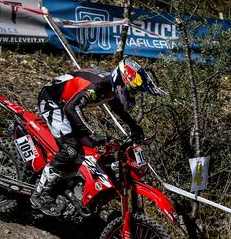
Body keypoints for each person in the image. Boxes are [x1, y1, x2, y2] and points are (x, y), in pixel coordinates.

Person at [30, 58, 161, 215]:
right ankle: (40, 193)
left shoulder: (111, 86)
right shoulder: (98, 86)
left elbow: (118, 108)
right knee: (71, 149)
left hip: (65, 104)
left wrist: (135, 127)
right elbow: (71, 108)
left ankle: (66, 186)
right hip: (51, 100)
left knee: (88, 149)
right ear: (122, 81)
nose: (133, 94)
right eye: (132, 90)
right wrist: (91, 133)